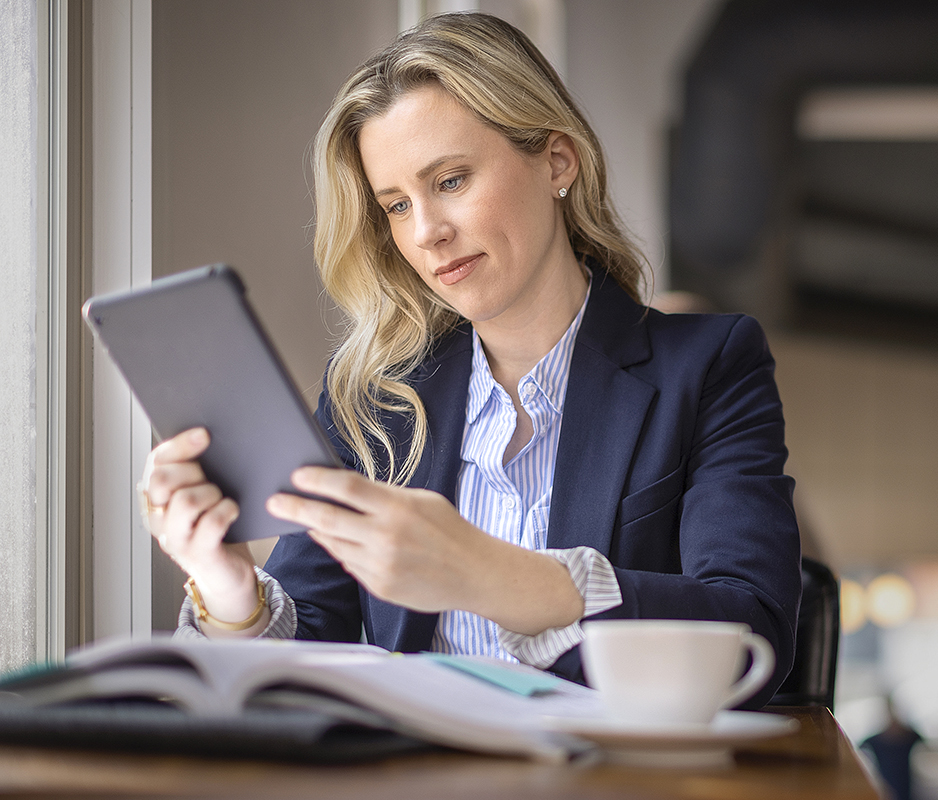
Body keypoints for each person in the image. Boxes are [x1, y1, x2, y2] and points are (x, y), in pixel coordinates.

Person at [137, 12, 800, 701]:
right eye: (395, 205)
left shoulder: (710, 365)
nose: (426, 233)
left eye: (450, 181)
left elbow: (752, 632)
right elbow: (306, 659)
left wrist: (481, 572)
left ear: (556, 162)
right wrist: (229, 587)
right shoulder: (371, 398)